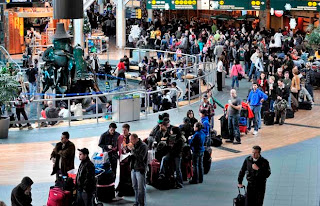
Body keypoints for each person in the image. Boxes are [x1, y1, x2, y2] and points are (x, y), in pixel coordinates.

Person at [128, 133, 148, 206]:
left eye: (131, 140)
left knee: (141, 188)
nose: (130, 141)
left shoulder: (143, 146)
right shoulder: (134, 145)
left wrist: (132, 149)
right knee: (135, 187)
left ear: (135, 139)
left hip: (140, 169)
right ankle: (136, 202)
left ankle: (142, 203)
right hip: (133, 168)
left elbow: (141, 158)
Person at [116, 124, 134, 198]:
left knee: (129, 174)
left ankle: (130, 189)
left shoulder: (132, 138)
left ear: (128, 130)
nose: (123, 131)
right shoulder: (120, 137)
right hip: (122, 158)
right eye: (122, 130)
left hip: (129, 159)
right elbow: (117, 147)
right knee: (122, 174)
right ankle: (121, 189)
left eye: (125, 130)